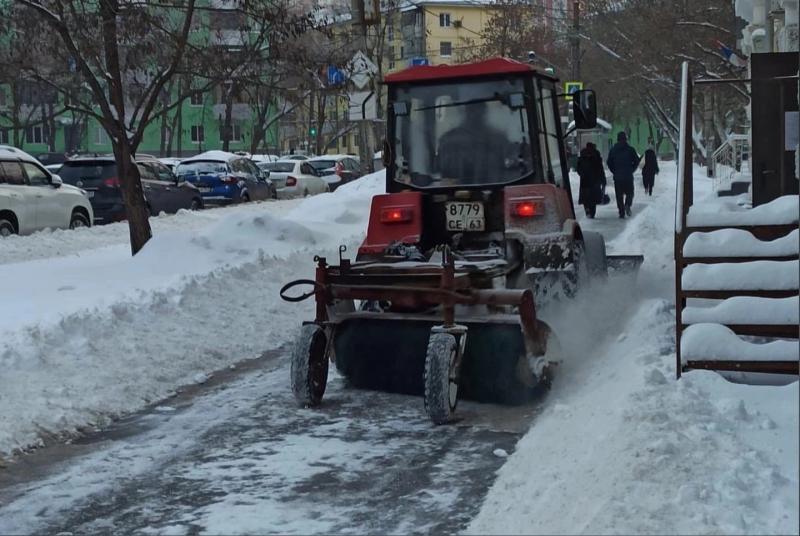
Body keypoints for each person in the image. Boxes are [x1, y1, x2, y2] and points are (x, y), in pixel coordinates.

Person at [606, 131, 641, 219]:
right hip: (628, 176)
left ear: (617, 139)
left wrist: (614, 171)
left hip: (618, 177)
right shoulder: (630, 149)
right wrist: (632, 169)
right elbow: (637, 161)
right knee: (630, 193)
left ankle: (621, 212)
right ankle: (628, 205)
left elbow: (609, 162)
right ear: (625, 139)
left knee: (619, 195)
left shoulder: (613, 150)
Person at [576, 142, 606, 218]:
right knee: (593, 198)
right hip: (595, 180)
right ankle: (592, 213)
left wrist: (582, 174)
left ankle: (587, 210)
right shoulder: (596, 154)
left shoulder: (582, 155)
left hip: (584, 180)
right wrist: (603, 179)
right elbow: (600, 168)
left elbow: (578, 168)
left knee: (585, 197)